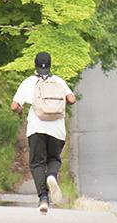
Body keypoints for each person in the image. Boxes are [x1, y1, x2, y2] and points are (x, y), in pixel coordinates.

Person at [10, 52, 76, 213]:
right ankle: (51, 175)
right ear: (50, 65)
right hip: (57, 129)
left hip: (37, 129)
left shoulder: (28, 82)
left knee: (37, 163)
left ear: (35, 65)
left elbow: (14, 105)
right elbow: (72, 99)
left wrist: (20, 111)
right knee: (54, 159)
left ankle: (43, 199)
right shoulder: (58, 81)